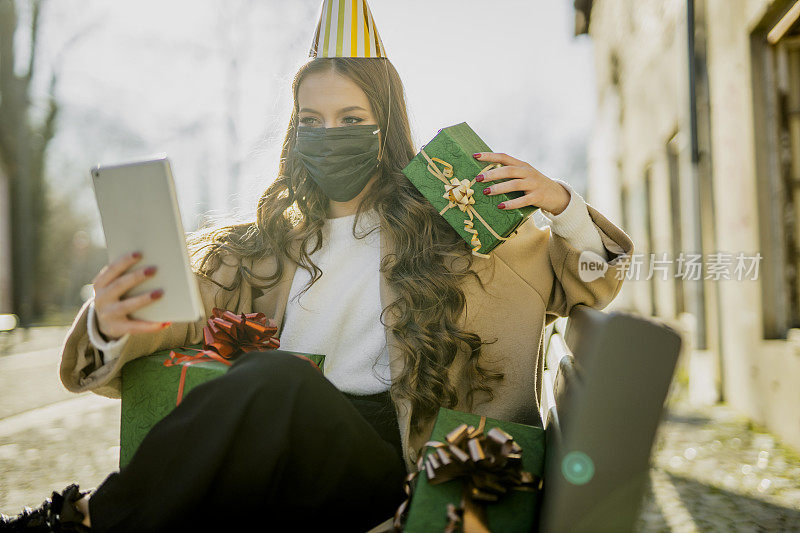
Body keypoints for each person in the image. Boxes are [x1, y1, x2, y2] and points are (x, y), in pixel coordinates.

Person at [0, 1, 634, 531]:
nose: (330, 134)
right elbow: (164, 322)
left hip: (386, 479)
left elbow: (590, 278)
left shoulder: (460, 245)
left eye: (352, 119)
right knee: (273, 389)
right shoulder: (248, 253)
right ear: (293, 132)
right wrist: (110, 323)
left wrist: (560, 203)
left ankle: (82, 522)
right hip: (273, 470)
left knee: (278, 382)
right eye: (313, 120)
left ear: (387, 126)